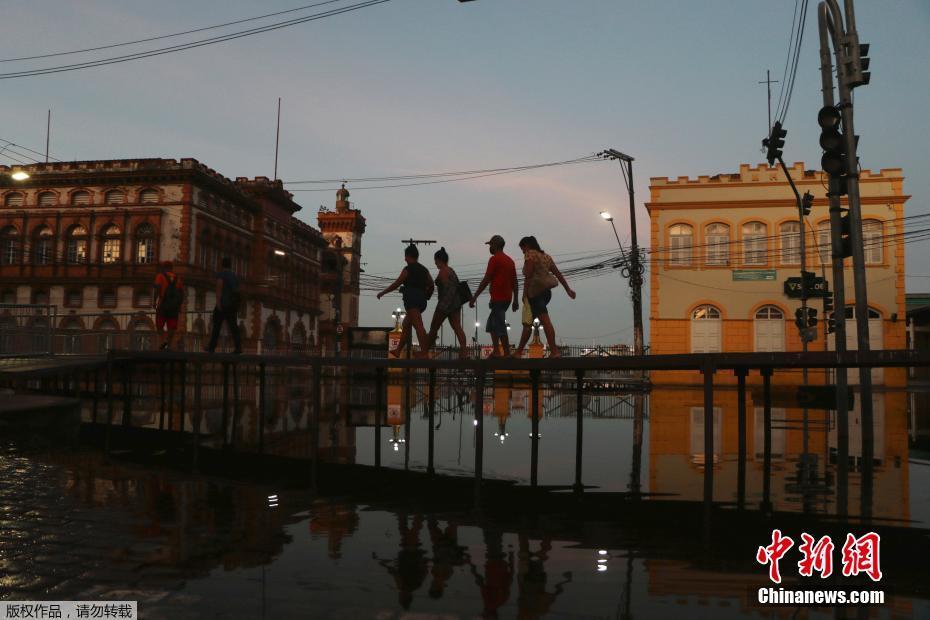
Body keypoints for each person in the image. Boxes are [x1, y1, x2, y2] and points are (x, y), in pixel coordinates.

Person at [518, 236, 576, 358]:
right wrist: (568, 289)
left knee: (544, 320)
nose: (522, 251)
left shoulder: (530, 254)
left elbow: (528, 275)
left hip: (535, 293)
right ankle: (518, 352)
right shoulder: (546, 256)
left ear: (527, 245)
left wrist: (524, 294)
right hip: (546, 293)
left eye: (522, 248)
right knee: (528, 323)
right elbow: (557, 273)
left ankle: (554, 351)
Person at [377, 244, 434, 358]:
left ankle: (424, 353)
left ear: (409, 256)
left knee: (418, 326)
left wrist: (383, 292)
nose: (405, 259)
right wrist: (427, 295)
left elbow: (397, 283)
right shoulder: (424, 269)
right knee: (406, 324)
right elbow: (431, 284)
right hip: (422, 301)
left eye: (405, 256)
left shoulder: (408, 269)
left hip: (412, 301)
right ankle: (398, 350)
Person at [470, 234, 518, 357]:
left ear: (495, 245)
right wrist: (515, 300)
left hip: (499, 299)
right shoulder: (510, 261)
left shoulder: (494, 260)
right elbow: (515, 282)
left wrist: (475, 296)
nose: (489, 247)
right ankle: (496, 351)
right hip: (506, 298)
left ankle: (506, 353)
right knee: (492, 325)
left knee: (500, 325)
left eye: (490, 245)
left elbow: (486, 279)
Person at [425, 247, 469, 359]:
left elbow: (446, 288)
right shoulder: (451, 270)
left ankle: (425, 351)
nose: (435, 263)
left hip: (445, 303)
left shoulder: (443, 271)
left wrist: (443, 305)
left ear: (439, 260)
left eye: (435, 260)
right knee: (457, 327)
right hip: (455, 303)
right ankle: (464, 352)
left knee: (433, 328)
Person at [205, 256, 242, 354]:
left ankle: (212, 347)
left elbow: (219, 288)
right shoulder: (234, 276)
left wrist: (218, 303)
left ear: (222, 265)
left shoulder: (222, 275)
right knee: (233, 326)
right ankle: (238, 347)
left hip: (223, 304)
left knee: (216, 325)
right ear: (230, 265)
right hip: (233, 305)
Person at [153, 260, 183, 351]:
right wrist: (179, 306)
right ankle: (168, 345)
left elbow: (157, 289)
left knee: (159, 325)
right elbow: (181, 294)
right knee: (172, 327)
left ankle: (163, 340)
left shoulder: (160, 276)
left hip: (162, 305)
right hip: (174, 307)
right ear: (171, 268)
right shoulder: (178, 278)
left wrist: (154, 301)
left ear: (164, 267)